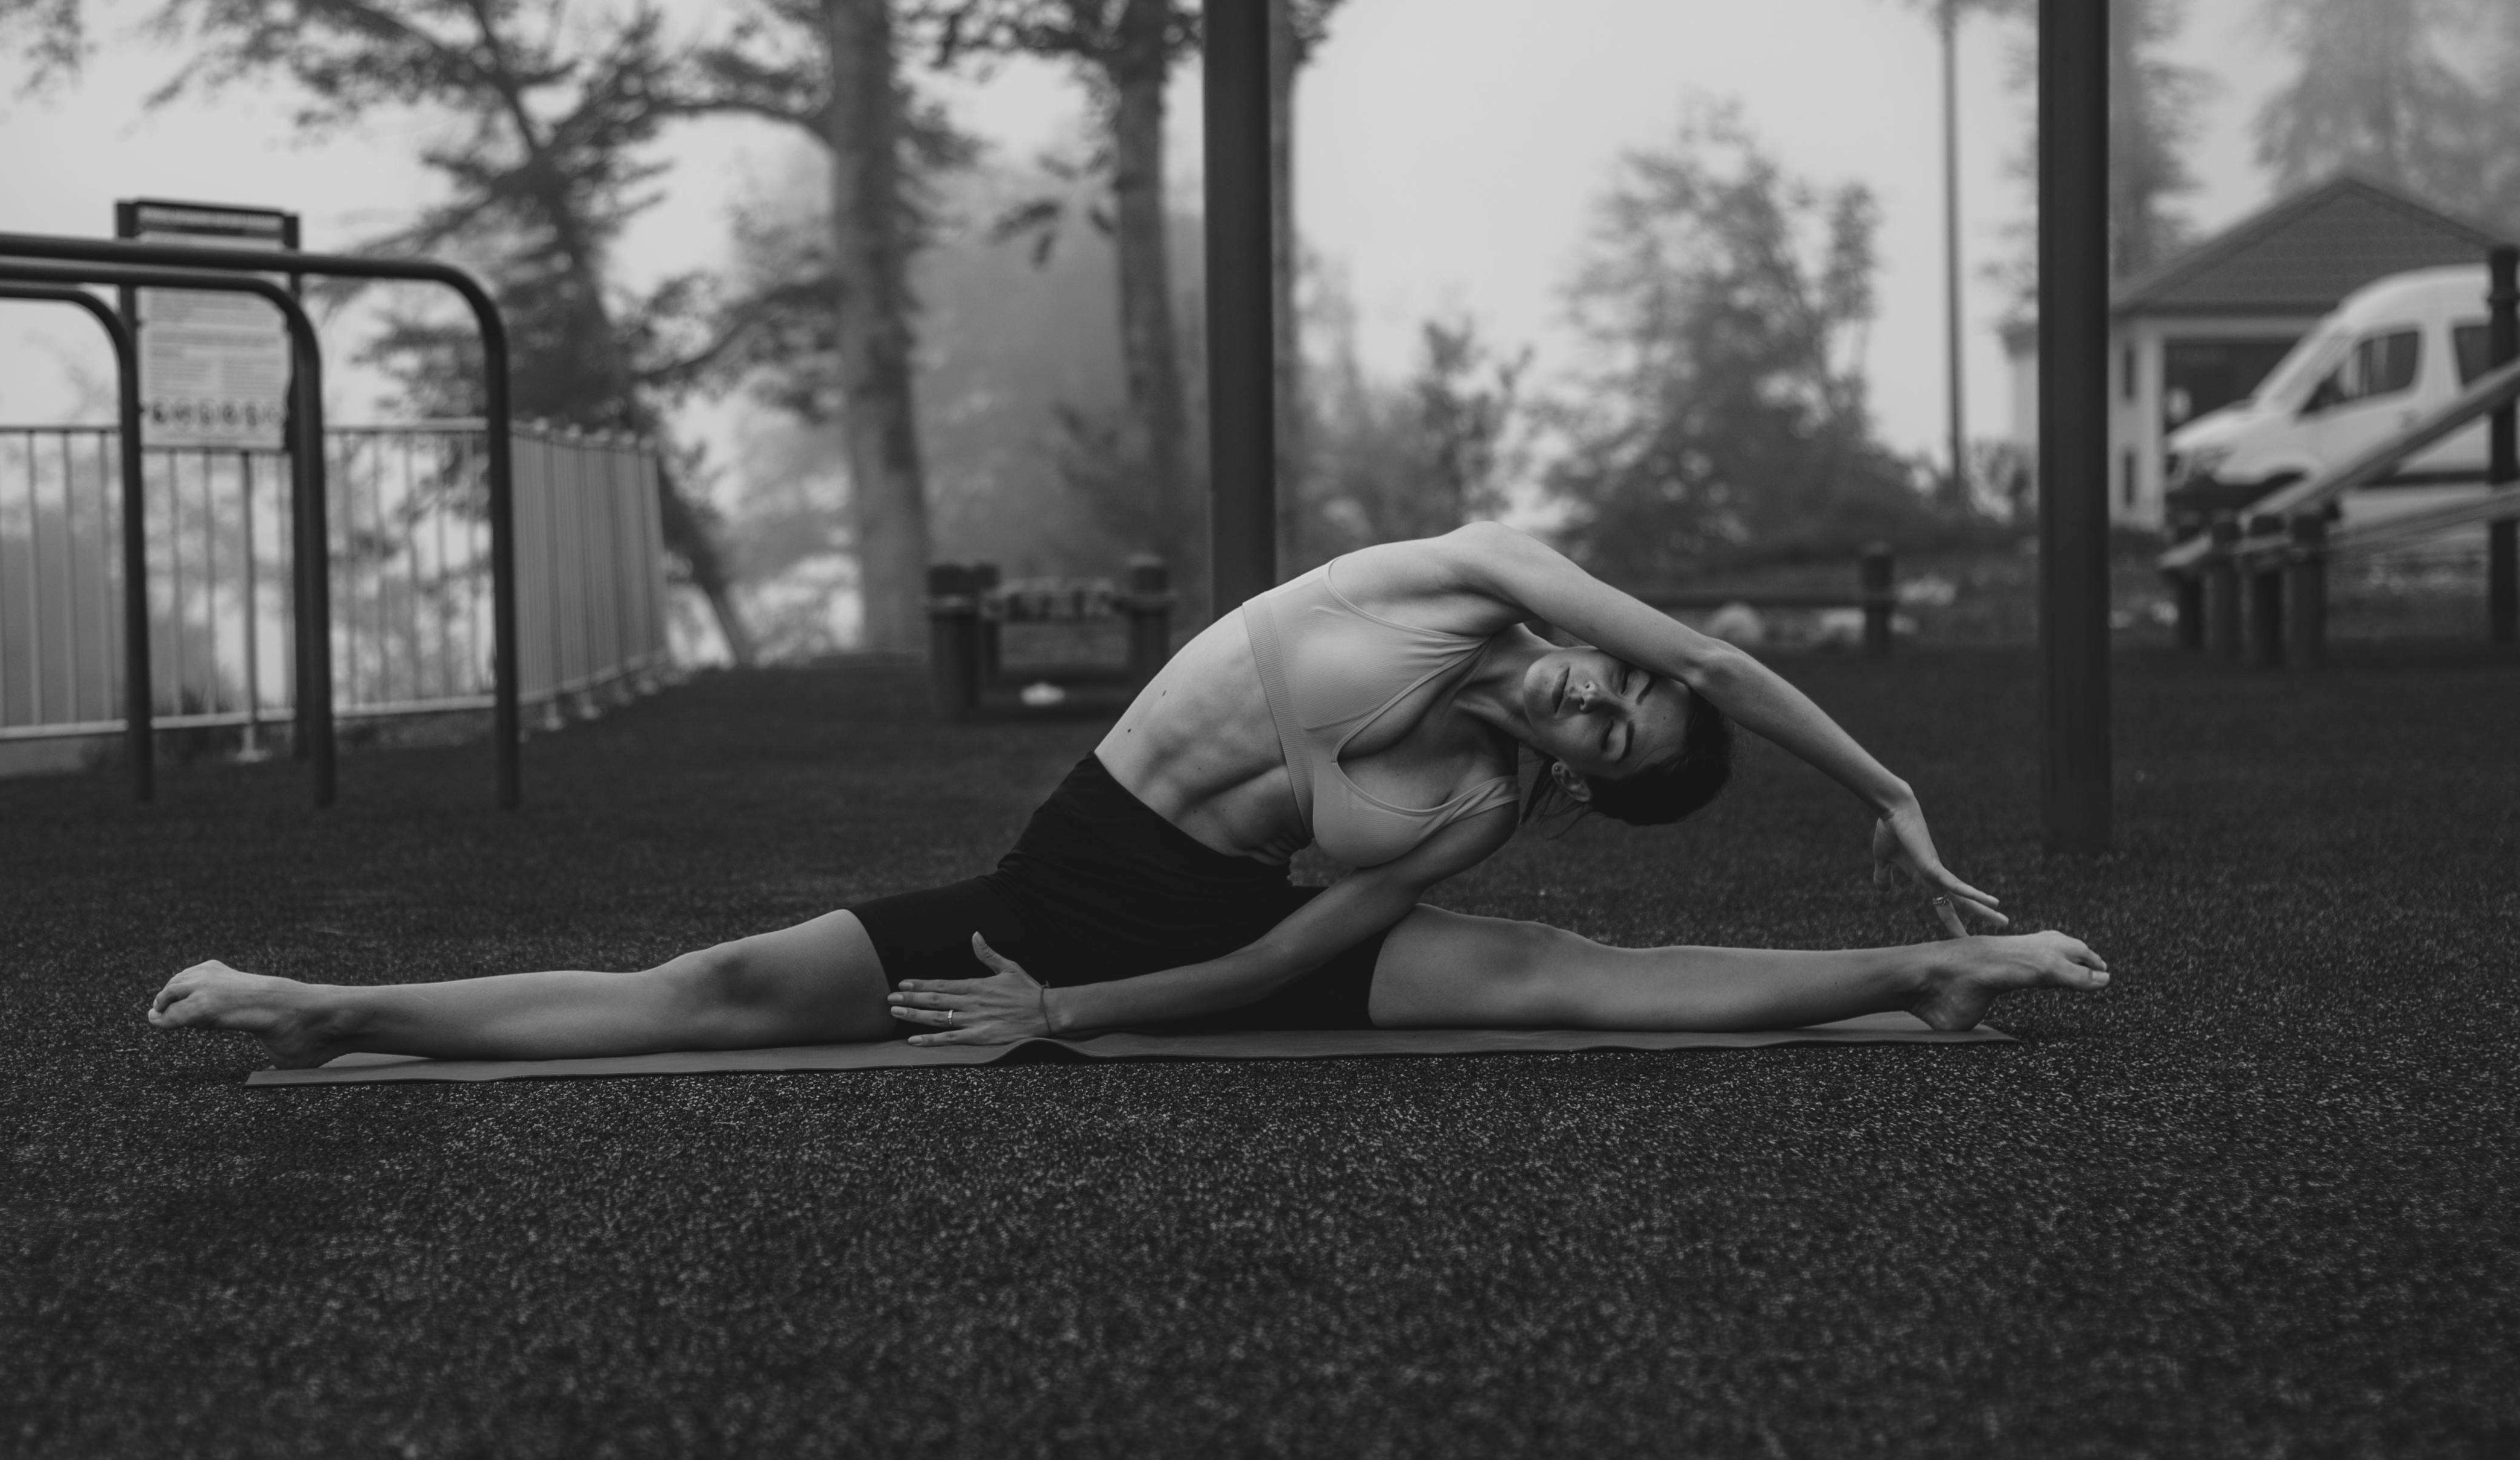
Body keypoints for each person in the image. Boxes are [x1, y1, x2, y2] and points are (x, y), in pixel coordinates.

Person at [151, 522, 2108, 1068]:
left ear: (1585, 770)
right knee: (722, 984)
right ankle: (321, 1006)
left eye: (1611, 745)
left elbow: (1317, 933)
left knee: (1568, 976)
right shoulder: (1483, 570)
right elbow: (1730, 671)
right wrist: (1893, 781)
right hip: (1084, 863)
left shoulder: (1485, 797)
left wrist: (1074, 1017)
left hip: (1211, 940)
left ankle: (1917, 981)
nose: (1603, 705)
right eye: (1629, 694)